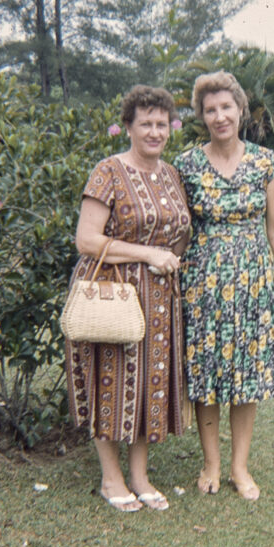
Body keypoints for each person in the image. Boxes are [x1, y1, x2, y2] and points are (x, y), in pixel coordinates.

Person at [174, 71, 274, 500]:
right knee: (206, 372)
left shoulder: (266, 162)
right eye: (210, 110)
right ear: (201, 116)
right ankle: (209, 463)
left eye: (226, 107)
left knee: (247, 375)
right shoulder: (187, 164)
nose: (219, 116)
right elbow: (180, 230)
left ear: (240, 109)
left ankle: (239, 468)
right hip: (202, 283)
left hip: (253, 283)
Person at [66, 86, 191, 512]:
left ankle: (140, 475)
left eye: (161, 124)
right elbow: (86, 239)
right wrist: (148, 253)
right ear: (130, 127)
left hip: (158, 299)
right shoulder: (109, 171)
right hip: (113, 294)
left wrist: (169, 258)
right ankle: (111, 477)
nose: (154, 132)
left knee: (149, 386)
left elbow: (179, 234)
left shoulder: (172, 175)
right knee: (109, 381)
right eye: (146, 124)